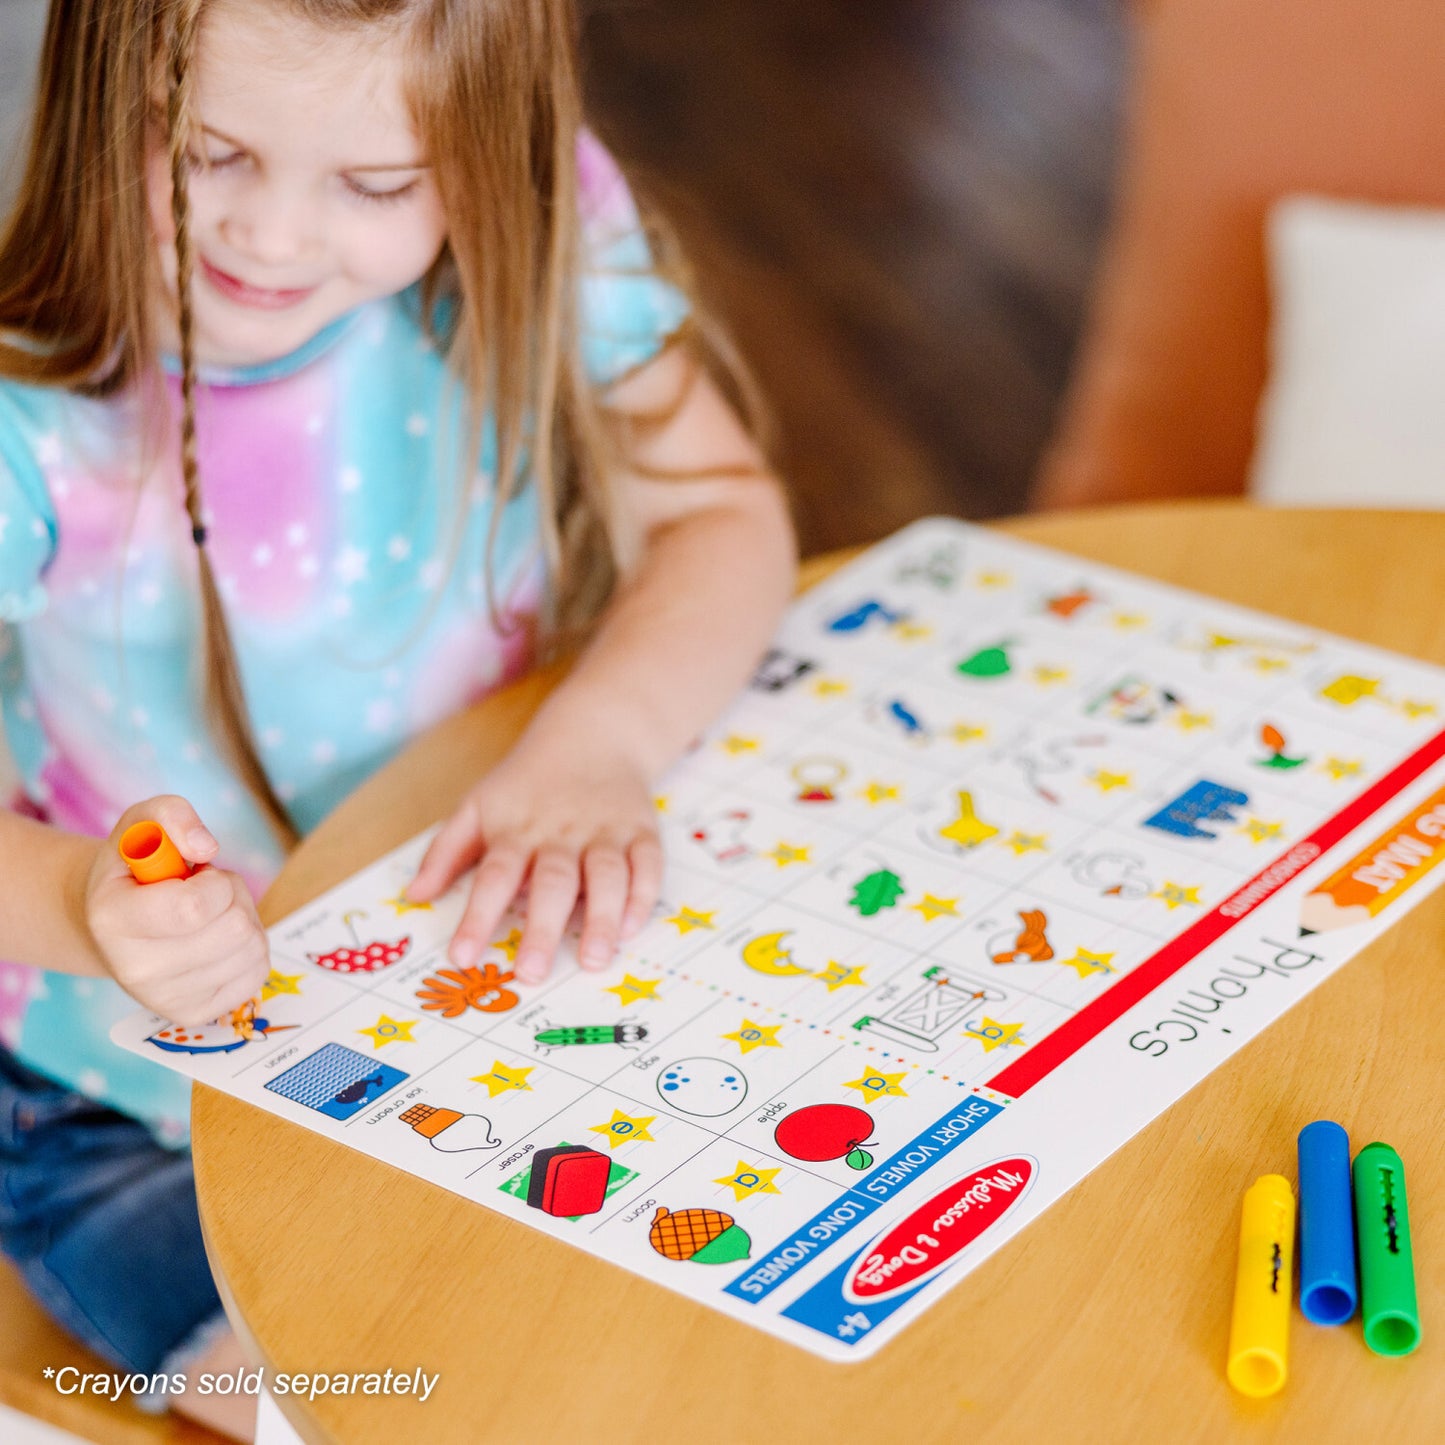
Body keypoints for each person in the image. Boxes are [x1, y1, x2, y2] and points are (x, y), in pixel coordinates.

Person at [0, 0, 795, 1435]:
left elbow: (717, 507)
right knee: (383, 1407)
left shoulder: (530, 228)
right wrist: (85, 903)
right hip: (119, 1101)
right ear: (95, 94)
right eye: (205, 151)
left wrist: (598, 741)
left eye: (376, 185)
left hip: (492, 1006)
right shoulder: (26, 409)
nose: (273, 237)